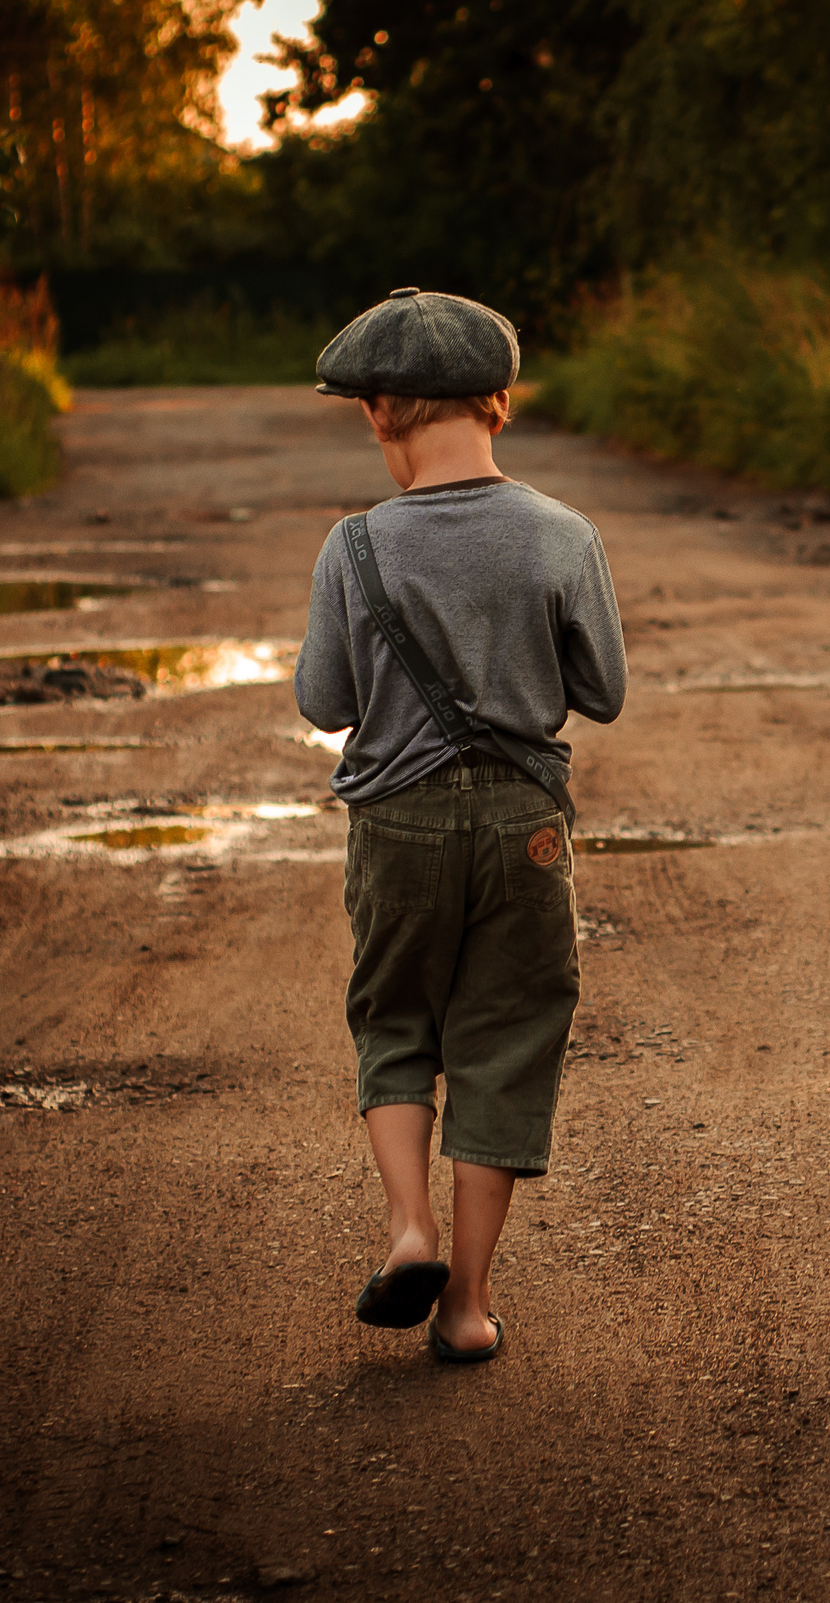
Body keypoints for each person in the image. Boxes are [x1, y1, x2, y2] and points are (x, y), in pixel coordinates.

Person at [294, 287, 628, 1361]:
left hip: (398, 824)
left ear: (380, 411)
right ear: (499, 402)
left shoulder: (354, 547)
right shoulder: (564, 534)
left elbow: (324, 702)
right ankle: (470, 1306)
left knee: (396, 1021)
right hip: (526, 824)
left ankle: (407, 1229)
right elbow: (604, 689)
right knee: (504, 1039)